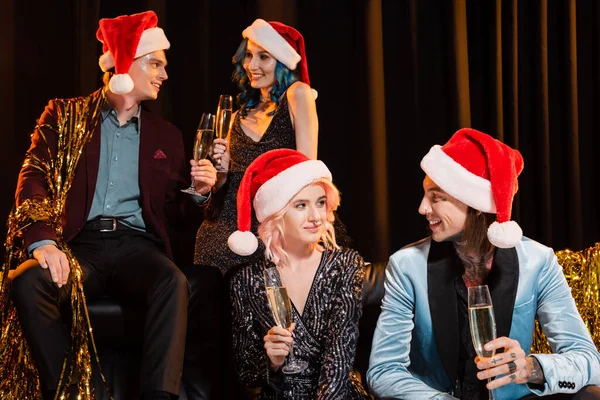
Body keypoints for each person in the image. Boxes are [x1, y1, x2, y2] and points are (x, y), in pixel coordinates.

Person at [4, 11, 217, 400]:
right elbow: (33, 177)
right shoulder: (64, 115)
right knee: (26, 279)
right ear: (124, 65)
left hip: (135, 248)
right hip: (78, 245)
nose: (164, 75)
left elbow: (174, 218)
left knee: (172, 281)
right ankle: (68, 392)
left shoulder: (166, 135)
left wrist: (199, 194)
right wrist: (43, 242)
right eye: (156, 63)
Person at [367, 128, 600, 400]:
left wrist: (530, 368)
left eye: (436, 197)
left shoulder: (538, 261)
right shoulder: (407, 266)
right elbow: (383, 371)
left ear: (475, 205)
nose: (422, 208)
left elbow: (589, 361)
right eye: (425, 194)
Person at [181, 19, 320, 399]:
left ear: (284, 62)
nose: (252, 65)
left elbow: (309, 171)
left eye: (264, 57)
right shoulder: (235, 113)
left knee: (261, 332)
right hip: (221, 228)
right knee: (208, 332)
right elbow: (219, 189)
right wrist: (219, 176)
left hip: (269, 229)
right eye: (248, 57)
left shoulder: (298, 96)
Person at [225, 148, 370, 399]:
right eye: (301, 205)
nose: (316, 216)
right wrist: (272, 361)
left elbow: (338, 360)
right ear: (276, 214)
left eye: (321, 202)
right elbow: (246, 374)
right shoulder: (247, 281)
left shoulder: (345, 264)